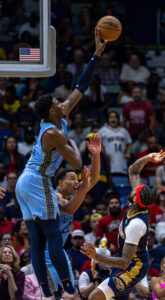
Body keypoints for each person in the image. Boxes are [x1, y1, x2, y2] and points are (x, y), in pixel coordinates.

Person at [15, 28, 106, 300]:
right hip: (36, 180)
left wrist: (97, 53)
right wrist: (80, 144)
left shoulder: (59, 115)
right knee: (53, 234)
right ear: (51, 110)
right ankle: (67, 285)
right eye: (56, 101)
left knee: (38, 240)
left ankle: (46, 288)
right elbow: (77, 161)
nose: (60, 100)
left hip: (25, 182)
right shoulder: (53, 132)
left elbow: (81, 87)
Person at [81, 150, 165, 300]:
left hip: (133, 268)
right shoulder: (138, 204)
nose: (133, 187)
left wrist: (97, 257)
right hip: (126, 261)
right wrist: (148, 158)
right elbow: (133, 170)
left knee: (95, 297)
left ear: (135, 198)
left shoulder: (136, 224)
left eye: (136, 189)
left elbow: (124, 262)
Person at [45, 134, 101, 298]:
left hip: (59, 252)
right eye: (72, 179)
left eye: (78, 180)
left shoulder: (73, 197)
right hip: (46, 252)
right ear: (60, 183)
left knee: (72, 295)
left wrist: (96, 155)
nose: (77, 183)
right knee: (60, 295)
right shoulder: (54, 195)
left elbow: (94, 179)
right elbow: (66, 207)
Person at [98, 111, 132, 175]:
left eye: (115, 117)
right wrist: (102, 152)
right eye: (111, 117)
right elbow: (96, 142)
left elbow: (130, 143)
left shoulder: (124, 131)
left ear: (118, 119)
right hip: (108, 161)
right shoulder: (102, 131)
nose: (113, 119)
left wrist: (128, 153)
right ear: (108, 119)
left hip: (122, 160)